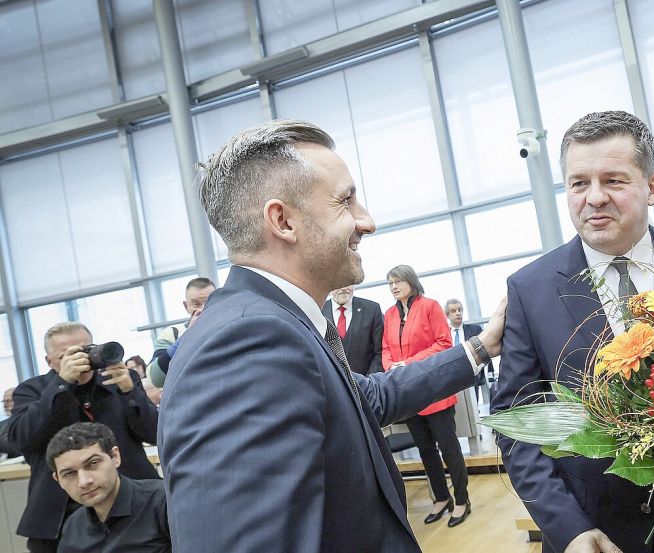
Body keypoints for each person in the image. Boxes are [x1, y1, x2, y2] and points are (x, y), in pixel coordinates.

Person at [158, 119, 504, 552]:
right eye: (346, 201)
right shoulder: (248, 342)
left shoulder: (282, 325)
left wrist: (482, 345)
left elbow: (368, 398)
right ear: (282, 221)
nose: (368, 222)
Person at [491, 111, 654, 553]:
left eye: (613, 180)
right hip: (597, 530)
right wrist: (567, 528)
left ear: (652, 187)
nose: (594, 198)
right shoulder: (529, 290)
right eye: (578, 183)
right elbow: (517, 427)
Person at [8, 322, 159, 553]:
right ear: (50, 362)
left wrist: (131, 392)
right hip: (60, 511)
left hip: (131, 502)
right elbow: (22, 440)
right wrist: (62, 384)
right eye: (67, 355)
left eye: (85, 349)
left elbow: (156, 433)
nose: (80, 358)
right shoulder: (33, 390)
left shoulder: (117, 378)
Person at [382, 265, 471, 527]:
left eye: (398, 281)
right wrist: (391, 366)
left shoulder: (430, 306)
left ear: (411, 280)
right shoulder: (389, 314)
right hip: (408, 394)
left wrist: (408, 362)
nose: (394, 286)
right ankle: (441, 499)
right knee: (425, 450)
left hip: (435, 392)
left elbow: (443, 344)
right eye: (390, 283)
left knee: (449, 449)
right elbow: (385, 348)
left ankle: (463, 500)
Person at [47, 422, 170, 553]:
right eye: (69, 473)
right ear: (58, 480)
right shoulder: (73, 526)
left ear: (115, 457)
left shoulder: (163, 502)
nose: (83, 482)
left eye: (93, 463)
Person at [147, 277, 215, 388]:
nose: (202, 309)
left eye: (208, 303)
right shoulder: (171, 335)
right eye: (196, 304)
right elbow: (156, 378)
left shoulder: (232, 327)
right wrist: (187, 337)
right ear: (186, 305)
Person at [322, 285, 384, 375]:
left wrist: (368, 383)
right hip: (330, 383)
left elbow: (380, 352)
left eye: (348, 283)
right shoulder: (318, 311)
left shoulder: (372, 309)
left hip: (366, 383)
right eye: (339, 283)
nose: (343, 288)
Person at [446, 298, 495, 405]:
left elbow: (486, 350)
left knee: (473, 406)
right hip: (452, 375)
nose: (458, 313)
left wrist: (490, 371)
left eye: (460, 310)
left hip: (472, 373)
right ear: (447, 315)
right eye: (453, 311)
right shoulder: (444, 334)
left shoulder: (474, 330)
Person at [0, 387, 19, 458]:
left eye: (9, 401)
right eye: (3, 401)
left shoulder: (31, 422)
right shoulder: (1, 425)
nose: (5, 405)